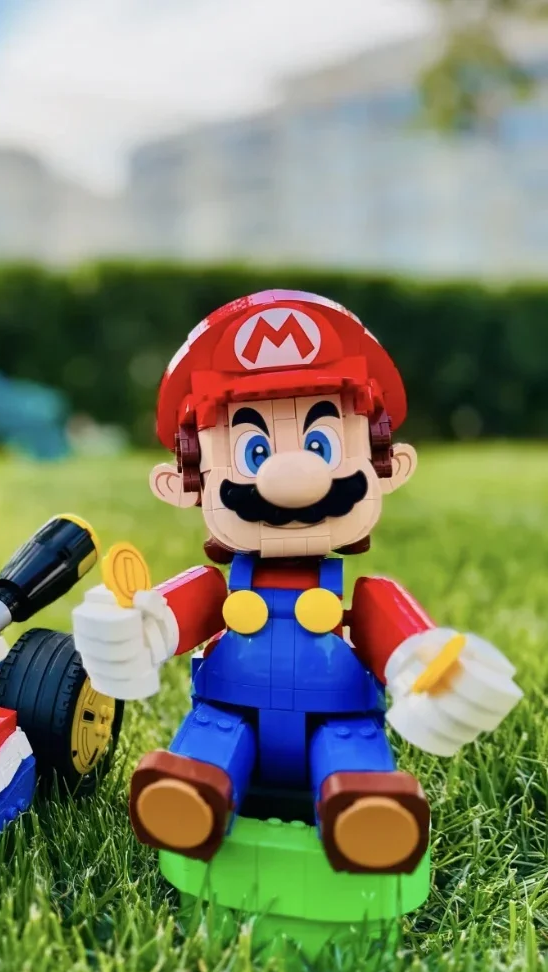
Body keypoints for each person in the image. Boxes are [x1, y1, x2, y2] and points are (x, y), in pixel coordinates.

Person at [72, 290, 522, 874]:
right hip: (230, 709)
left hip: (336, 716)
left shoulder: (364, 595)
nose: (292, 478)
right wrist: (135, 627)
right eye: (254, 451)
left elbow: (403, 640)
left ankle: (365, 814)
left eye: (321, 445)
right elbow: (171, 615)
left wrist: (429, 667)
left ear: (387, 465)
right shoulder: (217, 586)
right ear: (186, 482)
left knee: (352, 755)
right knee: (210, 745)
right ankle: (192, 800)